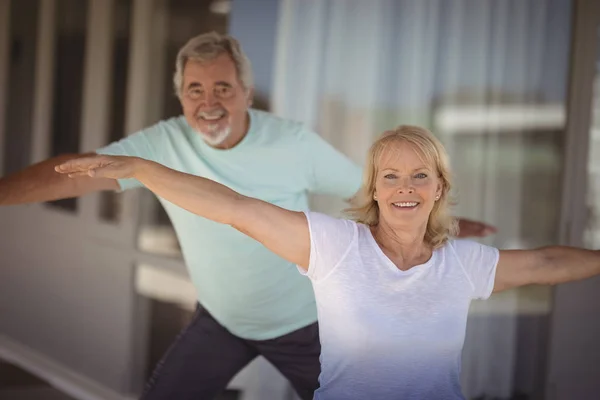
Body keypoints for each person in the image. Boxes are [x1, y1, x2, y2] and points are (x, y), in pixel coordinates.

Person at [0, 32, 494, 399]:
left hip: (306, 324)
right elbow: (76, 174)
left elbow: (372, 192)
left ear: (245, 91)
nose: (208, 102)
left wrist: (441, 222)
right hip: (221, 319)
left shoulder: (293, 141)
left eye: (222, 88)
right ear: (181, 97)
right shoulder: (159, 144)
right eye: (195, 89)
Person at [56, 124, 600, 400]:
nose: (404, 187)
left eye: (419, 176)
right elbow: (234, 207)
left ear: (439, 188)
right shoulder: (336, 247)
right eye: (390, 175)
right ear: (374, 188)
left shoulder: (463, 263)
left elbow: (548, 261)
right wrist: (141, 168)